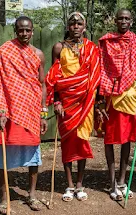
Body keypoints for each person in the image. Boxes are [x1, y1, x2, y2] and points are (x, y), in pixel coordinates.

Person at [0, 16, 48, 214]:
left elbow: (42, 84)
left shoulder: (38, 54)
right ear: (15, 30)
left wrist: (43, 112)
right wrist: (0, 110)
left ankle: (32, 195)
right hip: (9, 112)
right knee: (4, 154)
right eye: (20, 30)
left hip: (31, 112)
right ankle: (4, 198)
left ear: (32, 31)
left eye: (27, 30)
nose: (24, 34)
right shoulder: (4, 52)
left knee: (34, 156)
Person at [46, 12, 100, 202]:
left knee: (82, 141)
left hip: (85, 103)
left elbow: (96, 79)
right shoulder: (59, 48)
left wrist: (99, 103)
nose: (76, 26)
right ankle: (69, 185)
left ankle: (79, 184)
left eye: (79, 23)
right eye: (72, 23)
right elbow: (54, 79)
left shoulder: (92, 48)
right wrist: (57, 102)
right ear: (68, 26)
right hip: (66, 105)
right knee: (68, 143)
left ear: (84, 27)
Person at [98, 8, 136, 201]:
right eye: (120, 18)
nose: (123, 21)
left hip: (130, 98)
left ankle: (122, 181)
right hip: (111, 97)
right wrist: (100, 100)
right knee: (110, 140)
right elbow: (100, 70)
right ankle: (111, 184)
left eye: (127, 18)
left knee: (127, 140)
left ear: (132, 21)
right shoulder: (106, 42)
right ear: (116, 21)